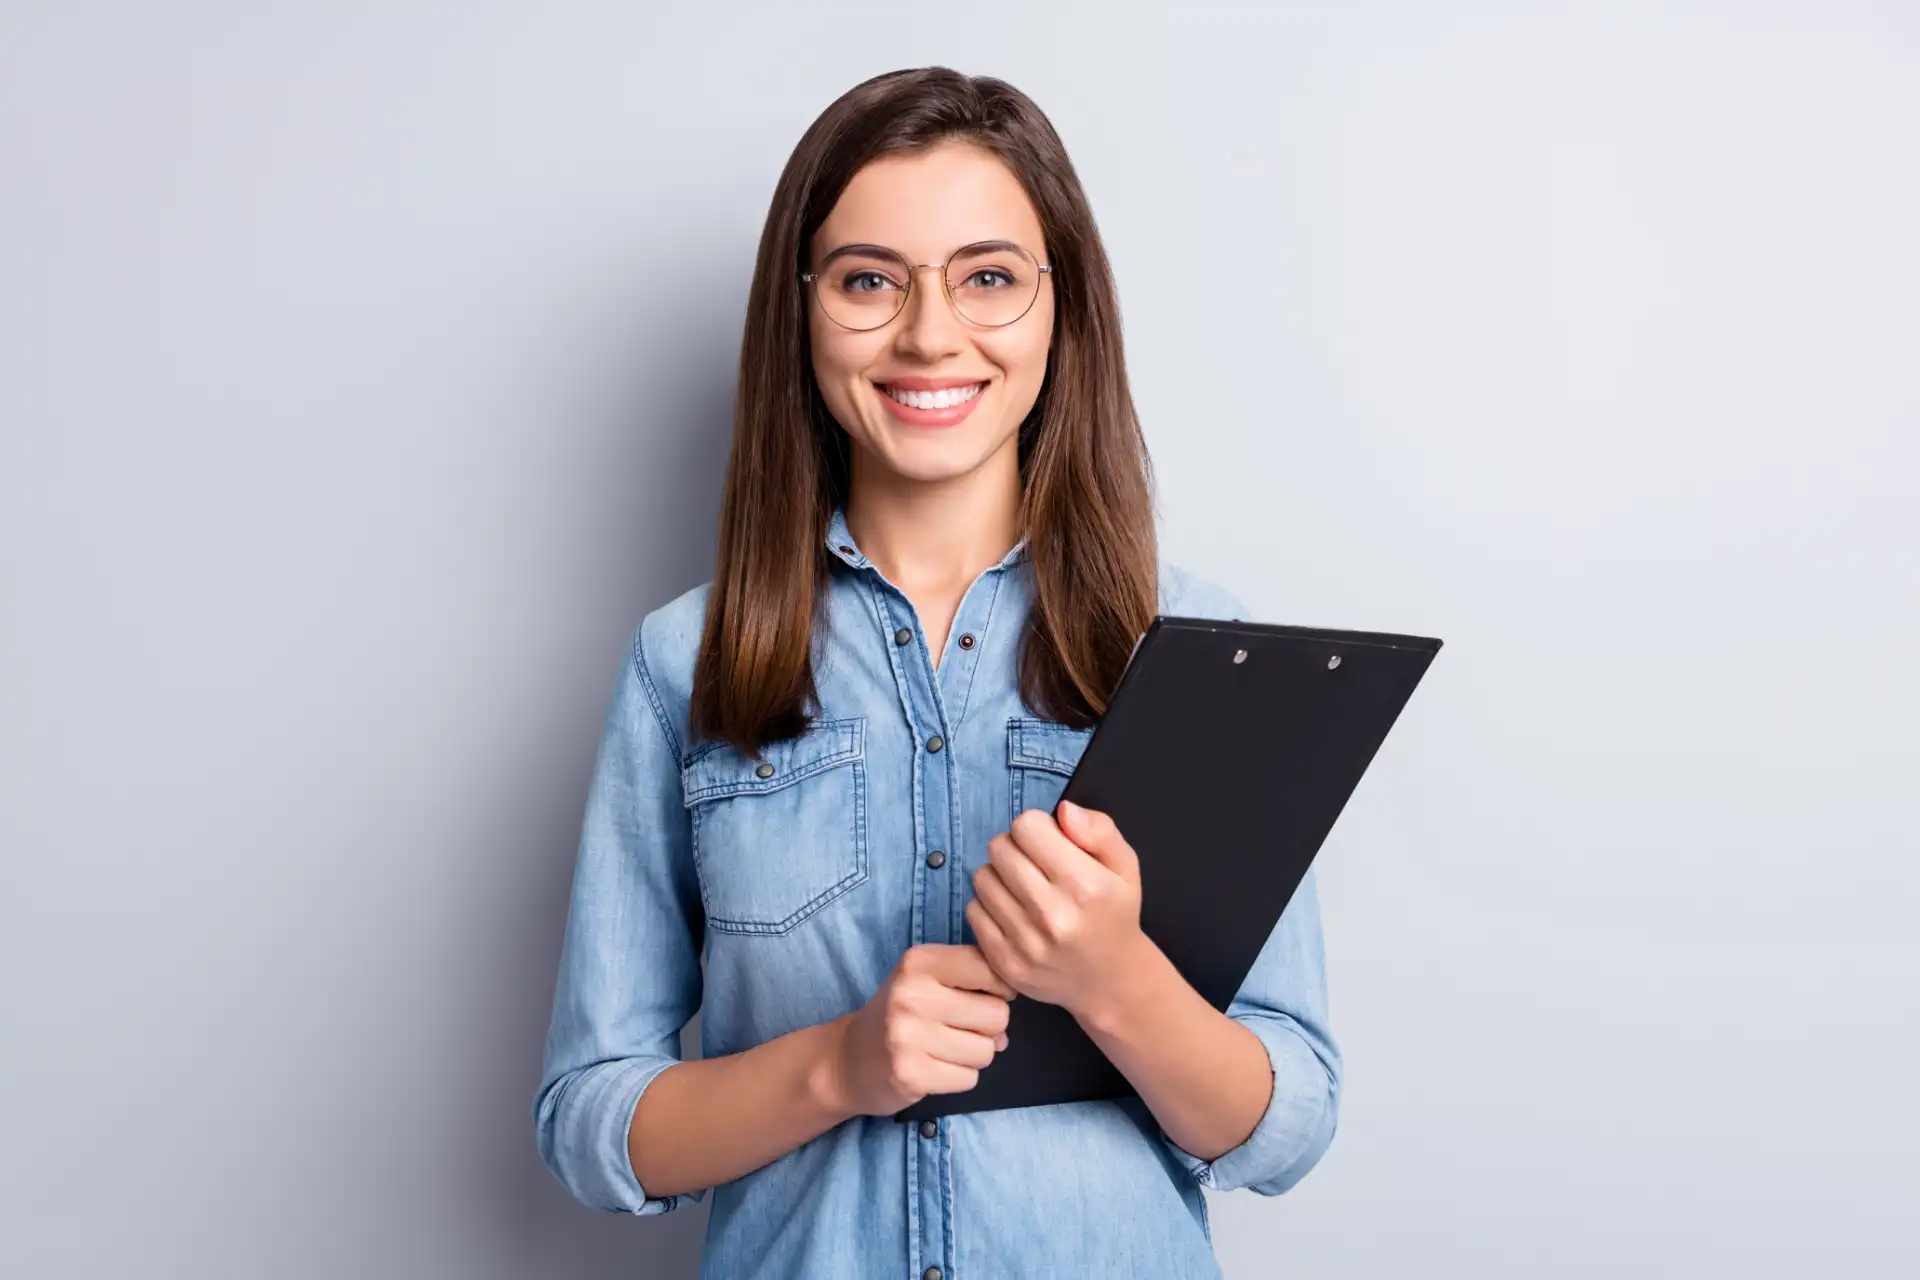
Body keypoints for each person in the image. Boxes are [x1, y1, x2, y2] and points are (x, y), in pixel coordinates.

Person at [533, 66, 1341, 1279]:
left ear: (1059, 308)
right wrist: (840, 1065)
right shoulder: (681, 667)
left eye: (989, 277)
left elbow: (1288, 1124)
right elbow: (591, 1123)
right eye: (869, 279)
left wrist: (1116, 980)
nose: (928, 332)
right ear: (800, 307)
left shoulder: (1195, 647)